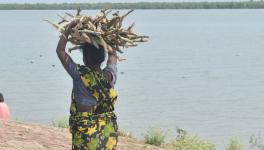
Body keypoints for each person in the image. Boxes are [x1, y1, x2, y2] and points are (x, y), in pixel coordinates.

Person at [56, 20, 118, 150]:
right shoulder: (110, 77)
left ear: (85, 59)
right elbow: (112, 54)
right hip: (107, 135)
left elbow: (60, 50)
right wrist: (103, 40)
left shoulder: (80, 74)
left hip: (85, 136)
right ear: (102, 58)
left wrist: (68, 29)